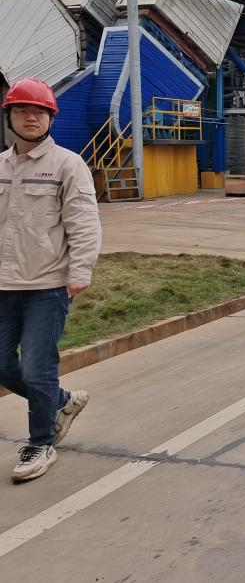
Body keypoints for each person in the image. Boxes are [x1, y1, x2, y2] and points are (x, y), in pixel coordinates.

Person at [0, 78, 101, 483]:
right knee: (2, 364)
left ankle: (41, 442)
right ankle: (61, 402)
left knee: (36, 368)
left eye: (39, 111)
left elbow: (83, 222)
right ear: (9, 116)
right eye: (22, 110)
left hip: (48, 285)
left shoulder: (67, 165)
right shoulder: (0, 165)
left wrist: (80, 270)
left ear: (50, 118)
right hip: (3, 284)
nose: (31, 117)